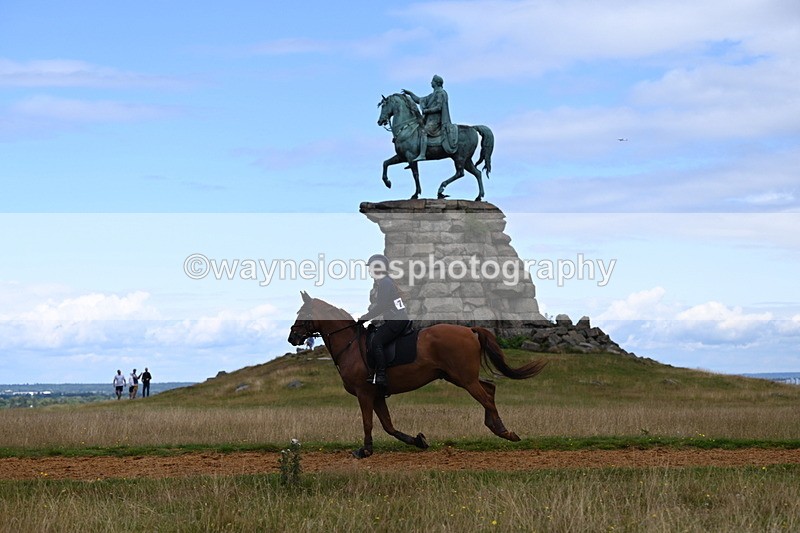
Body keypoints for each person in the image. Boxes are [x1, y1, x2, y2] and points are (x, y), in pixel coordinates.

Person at [358, 254, 410, 388]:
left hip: (396, 320)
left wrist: (364, 318)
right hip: (394, 318)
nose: (370, 271)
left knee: (376, 341)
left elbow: (381, 306)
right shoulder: (384, 282)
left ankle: (381, 375)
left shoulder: (385, 283)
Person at [402, 74, 453, 162]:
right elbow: (419, 100)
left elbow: (439, 107)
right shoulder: (432, 95)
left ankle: (422, 154)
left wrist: (426, 111)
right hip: (429, 120)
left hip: (436, 121)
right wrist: (410, 94)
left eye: (432, 81)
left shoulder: (441, 93)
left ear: (436, 83)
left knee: (423, 131)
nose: (431, 82)